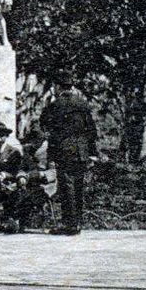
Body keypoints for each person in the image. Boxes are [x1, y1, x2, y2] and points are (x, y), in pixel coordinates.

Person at [40, 77, 98, 235]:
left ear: (58, 87)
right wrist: (92, 153)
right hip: (81, 151)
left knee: (66, 186)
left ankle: (69, 225)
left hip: (64, 150)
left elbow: (45, 125)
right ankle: (77, 222)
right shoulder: (83, 103)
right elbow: (91, 130)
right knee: (78, 186)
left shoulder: (55, 105)